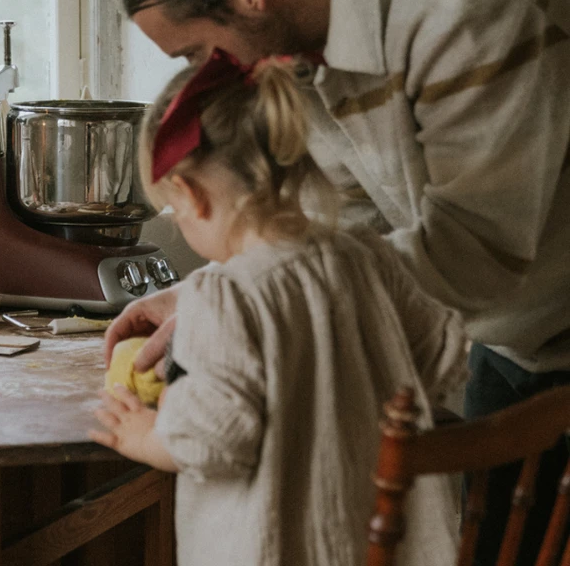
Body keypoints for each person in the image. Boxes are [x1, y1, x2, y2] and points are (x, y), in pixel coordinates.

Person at [108, 0, 570, 565]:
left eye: (195, 53)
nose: (205, 77)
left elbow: (478, 253)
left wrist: (249, 304)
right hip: (523, 325)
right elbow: (349, 231)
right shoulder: (305, 42)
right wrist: (213, 291)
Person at [90, 52, 467, 566]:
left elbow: (215, 441)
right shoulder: (366, 255)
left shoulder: (221, 296)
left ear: (191, 195)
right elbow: (442, 355)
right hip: (377, 544)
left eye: (173, 212)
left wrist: (149, 435)